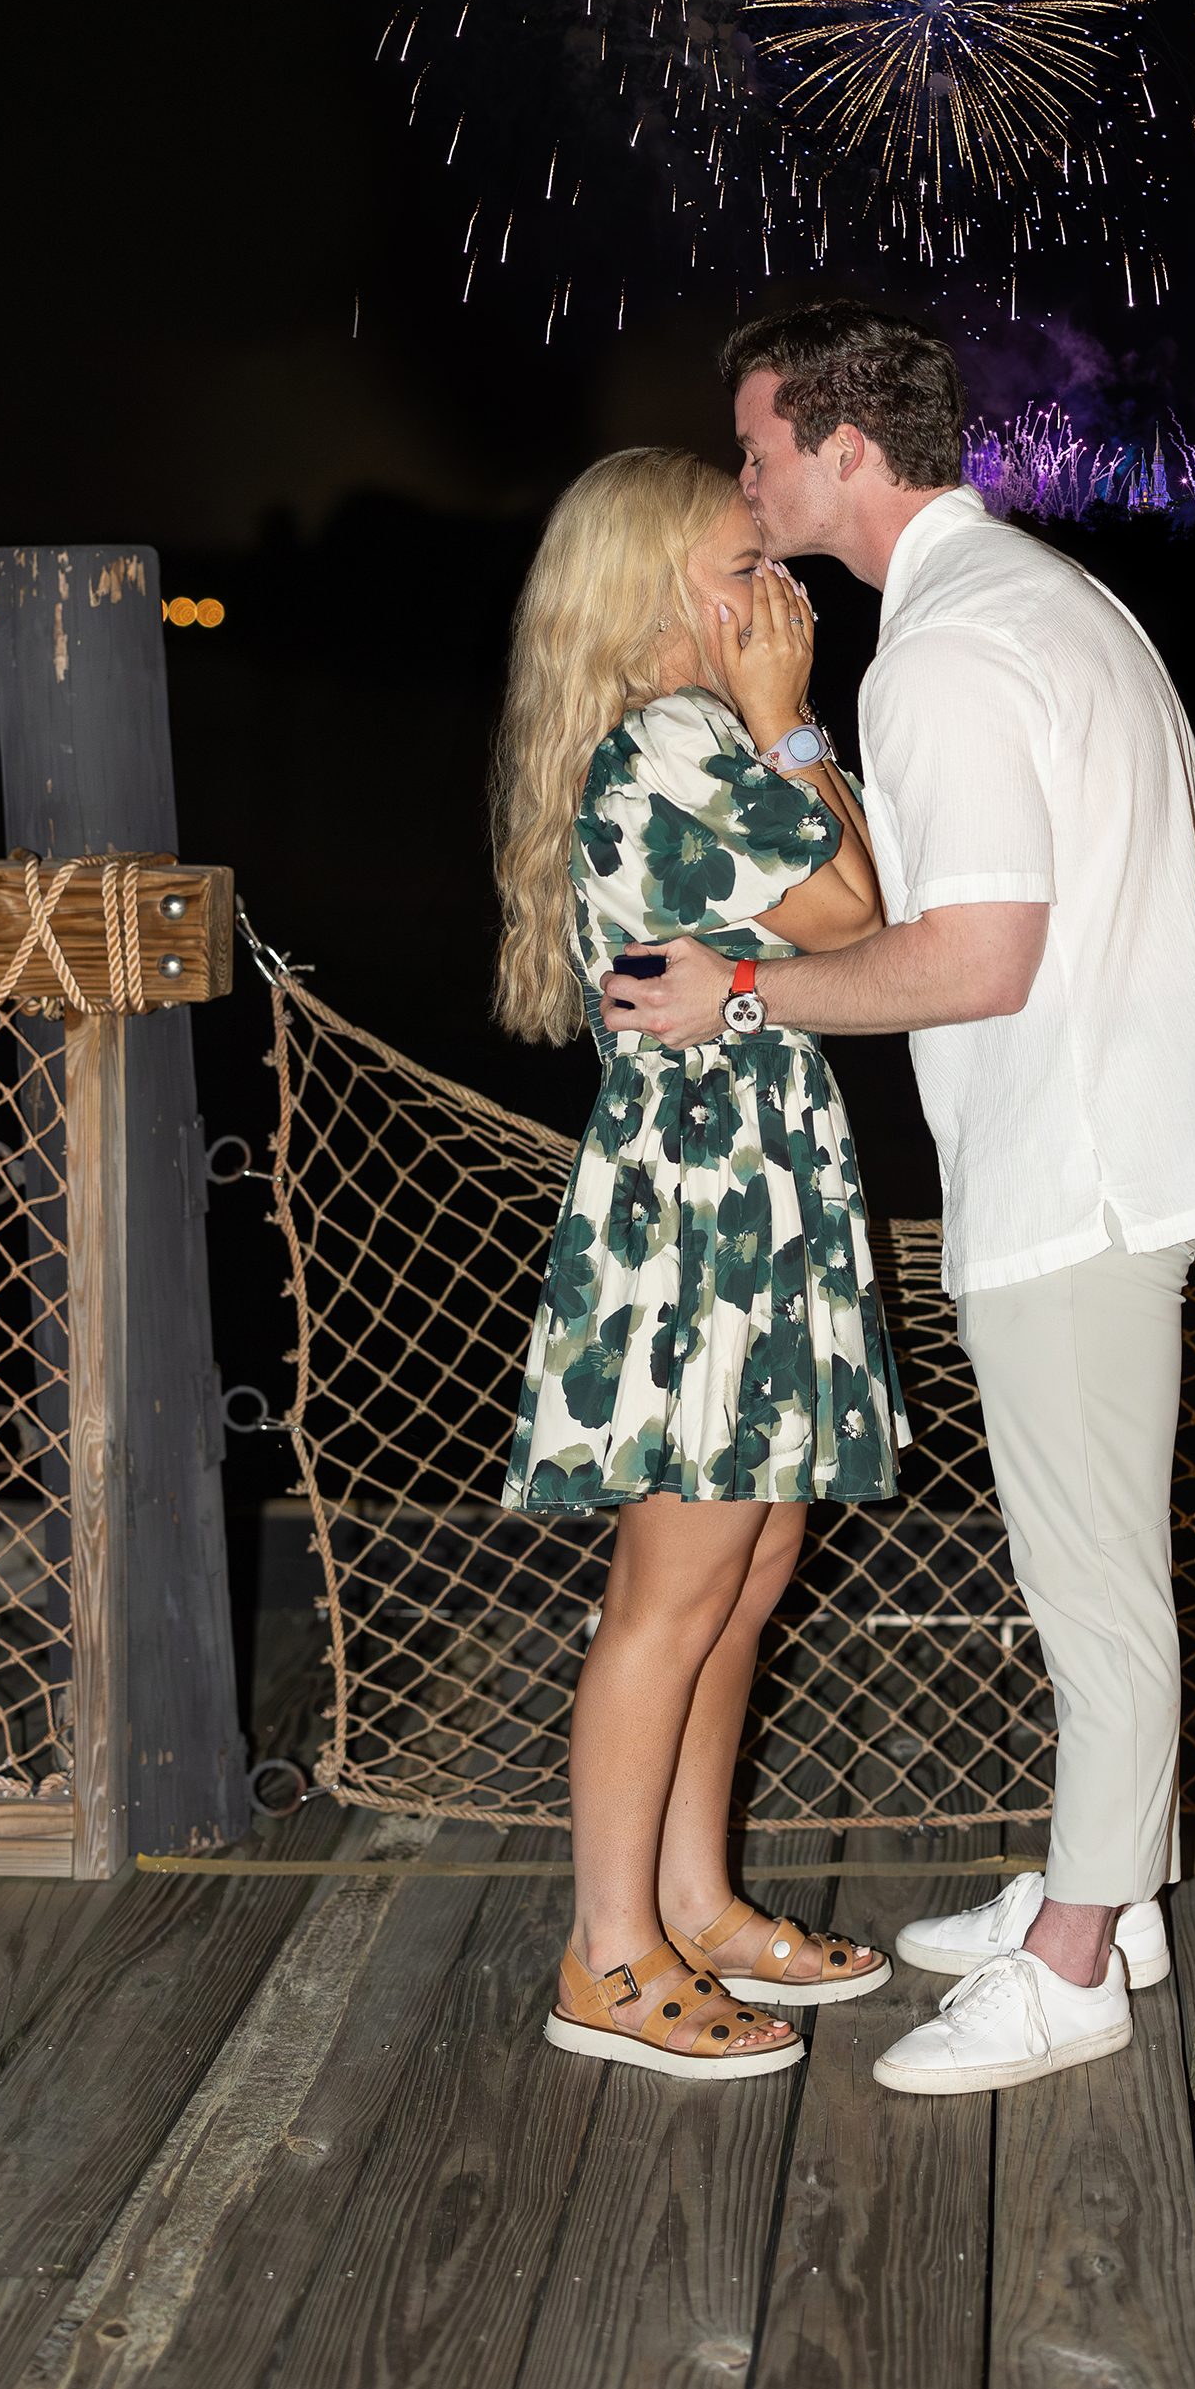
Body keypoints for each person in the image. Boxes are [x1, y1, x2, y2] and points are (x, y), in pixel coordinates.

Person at [605, 304, 1195, 2097]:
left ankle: (1077, 1968)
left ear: (840, 450)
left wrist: (738, 992)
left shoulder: (950, 657)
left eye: (755, 447)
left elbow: (968, 959)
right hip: (1120, 1143)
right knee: (1100, 1565)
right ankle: (1103, 1888)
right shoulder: (1038, 600)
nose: (741, 480)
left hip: (1075, 1167)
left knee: (1094, 1588)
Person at [493, 445, 905, 2080]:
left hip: (745, 1183)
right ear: (656, 590)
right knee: (674, 1591)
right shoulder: (677, 742)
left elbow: (850, 912)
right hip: (711, 1206)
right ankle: (610, 1956)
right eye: (744, 567)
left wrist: (777, 725)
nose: (779, 597)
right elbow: (865, 906)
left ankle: (697, 1904)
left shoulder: (689, 744)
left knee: (750, 1560)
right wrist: (793, 715)